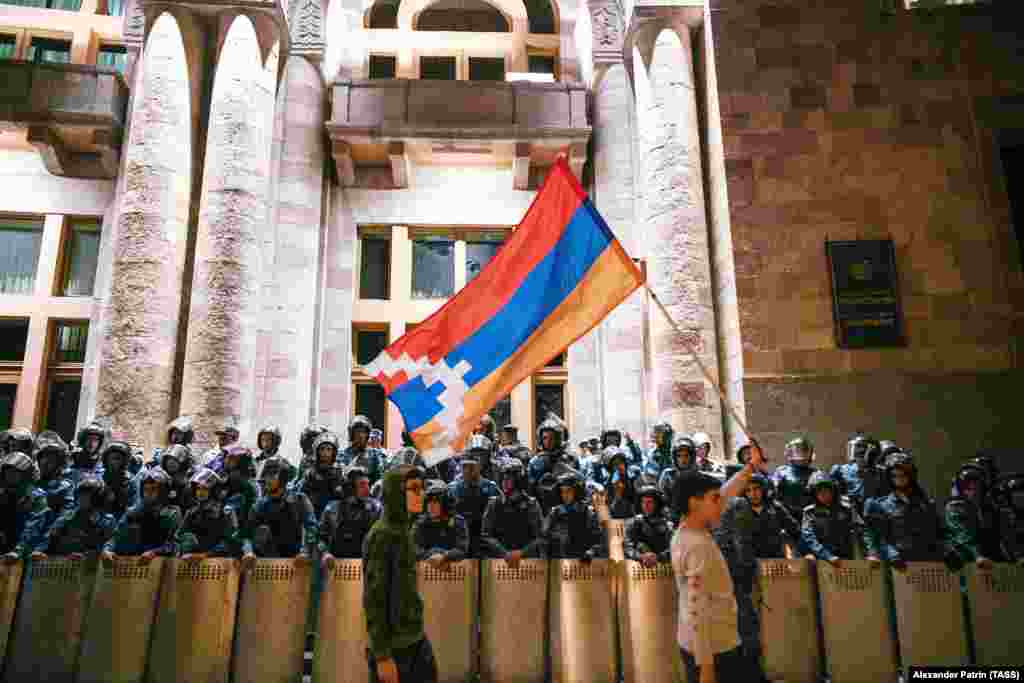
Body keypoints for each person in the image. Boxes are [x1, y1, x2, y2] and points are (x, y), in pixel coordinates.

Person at [671, 442, 769, 683]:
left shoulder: (687, 529)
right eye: (714, 499)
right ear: (694, 503)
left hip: (703, 646)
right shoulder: (698, 546)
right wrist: (706, 669)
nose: (722, 504)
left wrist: (750, 468)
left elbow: (725, 494)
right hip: (713, 652)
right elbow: (697, 610)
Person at [712, 471, 797, 679]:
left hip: (771, 569)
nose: (753, 494)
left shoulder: (774, 508)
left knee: (773, 619)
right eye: (748, 490)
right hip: (744, 570)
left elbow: (795, 529)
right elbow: (738, 543)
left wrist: (793, 548)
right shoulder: (738, 507)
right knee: (747, 622)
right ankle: (752, 670)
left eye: (757, 489)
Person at [363, 465, 438, 683]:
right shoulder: (382, 535)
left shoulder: (405, 530)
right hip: (394, 647)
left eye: (422, 488)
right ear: (396, 492)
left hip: (414, 637)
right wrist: (382, 655)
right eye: (414, 489)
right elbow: (374, 599)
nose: (421, 494)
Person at [863, 452, 947, 569]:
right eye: (894, 475)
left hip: (927, 560)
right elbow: (876, 537)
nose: (899, 479)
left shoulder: (925, 503)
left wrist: (946, 549)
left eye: (903, 475)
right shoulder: (880, 505)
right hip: (898, 562)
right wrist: (891, 553)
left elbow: (938, 531)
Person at [243, 456, 317, 563]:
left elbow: (311, 529)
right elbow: (247, 535)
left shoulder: (299, 500)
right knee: (262, 530)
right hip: (267, 561)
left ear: (283, 478)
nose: (266, 480)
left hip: (296, 559)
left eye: (271, 476)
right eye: (266, 476)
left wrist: (305, 551)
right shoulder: (260, 505)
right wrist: (248, 552)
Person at [102, 467, 182, 561]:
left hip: (159, 564)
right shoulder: (132, 512)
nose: (148, 493)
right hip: (132, 562)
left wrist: (155, 552)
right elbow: (115, 538)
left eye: (153, 489)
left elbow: (174, 545)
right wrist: (107, 550)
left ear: (163, 491)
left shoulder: (172, 514)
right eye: (146, 489)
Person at [801, 472, 877, 564]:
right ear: (814, 493)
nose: (823, 494)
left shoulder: (846, 509)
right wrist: (827, 555)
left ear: (833, 490)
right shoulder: (809, 512)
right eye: (819, 491)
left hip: (845, 558)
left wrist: (871, 553)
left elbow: (863, 530)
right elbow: (809, 537)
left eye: (826, 490)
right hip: (821, 559)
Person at [32, 476, 116, 560]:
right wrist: (39, 551)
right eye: (81, 494)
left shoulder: (107, 520)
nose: (82, 498)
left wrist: (106, 551)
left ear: (98, 497)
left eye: (87, 495)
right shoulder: (67, 518)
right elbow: (49, 538)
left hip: (92, 566)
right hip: (65, 565)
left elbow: (110, 541)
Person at [481, 459, 544, 566]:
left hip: (526, 561)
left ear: (518, 481)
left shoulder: (531, 504)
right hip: (499, 561)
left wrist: (521, 553)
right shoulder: (494, 503)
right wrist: (505, 553)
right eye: (503, 479)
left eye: (508, 479)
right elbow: (486, 535)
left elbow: (540, 536)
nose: (504, 482)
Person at [945, 462, 1008, 570]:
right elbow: (963, 533)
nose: (973, 492)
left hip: (985, 559)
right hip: (964, 559)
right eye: (968, 488)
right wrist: (978, 555)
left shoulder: (988, 506)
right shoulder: (955, 507)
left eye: (977, 487)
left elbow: (999, 534)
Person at [447, 436, 500, 558]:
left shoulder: (491, 485)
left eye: (481, 454)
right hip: (460, 539)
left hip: (485, 540)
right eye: (474, 454)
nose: (478, 458)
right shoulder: (452, 488)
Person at [319, 466, 382, 563]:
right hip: (336, 564)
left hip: (366, 564)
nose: (367, 489)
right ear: (350, 487)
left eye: (367, 484)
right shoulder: (332, 508)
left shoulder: (376, 508)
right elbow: (321, 538)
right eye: (362, 485)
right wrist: (325, 553)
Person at [175, 468, 241, 560]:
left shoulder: (226, 511)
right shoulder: (191, 512)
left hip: (219, 561)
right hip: (191, 559)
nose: (200, 492)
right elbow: (178, 536)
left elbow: (231, 542)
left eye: (205, 489)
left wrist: (205, 555)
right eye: (198, 488)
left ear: (214, 490)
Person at [543, 472, 606, 560]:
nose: (565, 495)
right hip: (559, 563)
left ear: (576, 492)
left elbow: (598, 539)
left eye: (569, 491)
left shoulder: (587, 512)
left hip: (582, 563)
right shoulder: (555, 513)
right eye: (563, 491)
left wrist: (592, 551)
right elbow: (544, 538)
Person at [0, 452, 49, 561]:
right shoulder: (3, 494)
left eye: (15, 472)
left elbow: (33, 525)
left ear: (25, 474)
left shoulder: (36, 496)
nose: (10, 476)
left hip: (26, 553)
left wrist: (18, 550)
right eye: (8, 472)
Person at [414, 482, 469, 566]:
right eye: (429, 502)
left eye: (435, 502)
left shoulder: (458, 522)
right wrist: (432, 555)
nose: (431, 506)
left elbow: (462, 549)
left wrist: (445, 555)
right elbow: (414, 548)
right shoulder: (420, 523)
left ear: (445, 504)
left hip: (454, 569)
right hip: (426, 567)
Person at [771, 436, 821, 523]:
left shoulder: (816, 473)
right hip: (787, 516)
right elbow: (773, 493)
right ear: (790, 452)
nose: (802, 454)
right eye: (798, 450)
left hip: (811, 517)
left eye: (805, 451)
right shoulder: (781, 472)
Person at [830, 435, 884, 514]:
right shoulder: (840, 470)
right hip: (848, 515)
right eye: (857, 448)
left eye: (864, 451)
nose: (860, 452)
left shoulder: (881, 472)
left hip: (871, 516)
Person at [623, 485, 673, 566]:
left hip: (663, 567)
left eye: (649, 502)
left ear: (657, 504)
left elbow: (674, 549)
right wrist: (641, 556)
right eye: (643, 502)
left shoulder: (667, 525)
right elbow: (627, 547)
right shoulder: (635, 523)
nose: (645, 505)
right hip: (638, 568)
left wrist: (658, 557)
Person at [300, 432, 346, 518]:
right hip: (313, 515)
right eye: (322, 449)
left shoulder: (340, 471)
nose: (325, 453)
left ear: (334, 452)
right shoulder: (310, 472)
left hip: (334, 516)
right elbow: (302, 496)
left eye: (329, 449)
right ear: (317, 451)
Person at [221, 446, 261, 531]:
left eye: (231, 459)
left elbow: (248, 512)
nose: (226, 461)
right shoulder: (229, 477)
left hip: (242, 527)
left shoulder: (249, 484)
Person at [99, 440, 139, 519]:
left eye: (117, 458)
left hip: (120, 519)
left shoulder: (131, 480)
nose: (113, 462)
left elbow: (133, 505)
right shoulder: (99, 476)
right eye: (111, 458)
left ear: (124, 461)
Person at [342, 416, 387, 486]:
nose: (360, 435)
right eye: (357, 432)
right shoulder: (344, 454)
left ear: (368, 434)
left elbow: (380, 478)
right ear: (352, 434)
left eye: (363, 432)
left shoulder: (375, 455)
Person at [658, 436, 698, 501]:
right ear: (674, 458)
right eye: (679, 456)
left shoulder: (698, 476)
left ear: (692, 457)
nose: (683, 459)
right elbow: (661, 497)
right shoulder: (668, 475)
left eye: (686, 455)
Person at [69, 421, 106, 486]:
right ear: (83, 440)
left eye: (95, 440)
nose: (91, 443)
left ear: (100, 442)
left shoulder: (104, 460)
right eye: (89, 439)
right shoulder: (74, 457)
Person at [642, 422, 675, 486]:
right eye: (656, 432)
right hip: (656, 487)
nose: (656, 435)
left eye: (659, 432)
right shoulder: (652, 453)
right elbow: (647, 473)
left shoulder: (674, 452)